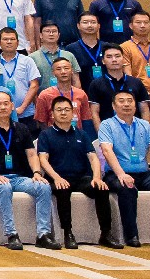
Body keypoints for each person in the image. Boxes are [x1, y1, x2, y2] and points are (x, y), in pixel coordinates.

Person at [0, 90, 58, 250]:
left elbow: (32, 154)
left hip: (20, 178)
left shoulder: (22, 128)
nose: (2, 107)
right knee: (4, 186)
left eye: (6, 104)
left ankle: (43, 234)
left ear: (12, 106)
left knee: (43, 186)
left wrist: (36, 173)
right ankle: (11, 234)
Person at [35, 95, 117, 249]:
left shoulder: (82, 134)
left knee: (101, 188)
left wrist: (97, 178)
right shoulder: (46, 135)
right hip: (57, 178)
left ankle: (106, 233)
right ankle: (68, 233)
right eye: (59, 110)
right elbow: (43, 160)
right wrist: (57, 178)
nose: (63, 113)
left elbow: (93, 158)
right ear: (52, 114)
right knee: (63, 189)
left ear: (73, 113)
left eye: (67, 110)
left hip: (80, 178)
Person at [96, 91, 150, 248]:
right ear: (113, 106)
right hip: (116, 174)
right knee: (127, 187)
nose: (126, 104)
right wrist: (121, 174)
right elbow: (107, 151)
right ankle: (131, 236)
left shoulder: (144, 125)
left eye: (130, 101)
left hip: (144, 173)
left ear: (135, 105)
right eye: (121, 101)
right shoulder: (107, 125)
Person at [87, 44, 149, 123]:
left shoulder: (136, 82)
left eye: (117, 56)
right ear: (103, 61)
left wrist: (146, 129)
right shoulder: (96, 84)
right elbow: (94, 113)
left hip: (134, 127)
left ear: (123, 59)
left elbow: (144, 110)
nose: (114, 60)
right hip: (108, 128)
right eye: (109, 57)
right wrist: (101, 130)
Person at [33, 56, 96, 128]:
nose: (63, 72)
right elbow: (41, 121)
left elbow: (86, 119)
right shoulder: (44, 95)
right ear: (53, 73)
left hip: (76, 133)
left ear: (72, 71)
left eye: (66, 68)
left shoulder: (81, 94)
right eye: (58, 69)